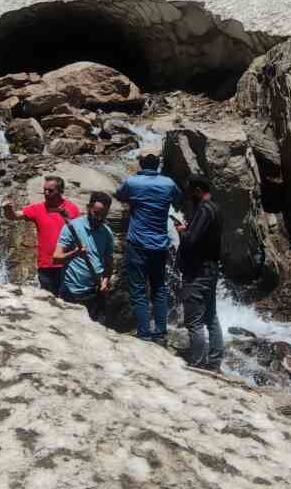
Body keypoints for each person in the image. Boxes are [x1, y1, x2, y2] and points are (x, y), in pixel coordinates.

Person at [115, 153, 182, 345]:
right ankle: (160, 333)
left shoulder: (133, 182)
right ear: (158, 165)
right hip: (160, 244)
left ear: (140, 164)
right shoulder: (168, 183)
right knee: (159, 289)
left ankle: (144, 333)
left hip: (137, 243)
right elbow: (178, 199)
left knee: (138, 290)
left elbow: (120, 195)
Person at [2, 176, 82, 295]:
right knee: (50, 301)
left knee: (68, 301)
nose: (46, 193)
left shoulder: (72, 209)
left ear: (60, 191)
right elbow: (14, 216)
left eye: (50, 190)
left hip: (68, 264)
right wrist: (7, 209)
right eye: (44, 190)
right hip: (46, 266)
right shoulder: (38, 208)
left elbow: (81, 234)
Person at [177, 176, 223, 370]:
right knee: (211, 316)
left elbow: (191, 241)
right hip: (211, 269)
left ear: (197, 190)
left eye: (190, 193)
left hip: (198, 271)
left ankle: (196, 363)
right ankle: (214, 361)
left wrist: (181, 230)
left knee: (194, 321)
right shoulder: (216, 208)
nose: (189, 197)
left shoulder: (204, 209)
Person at [52, 192, 115, 321]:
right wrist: (75, 253)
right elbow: (56, 257)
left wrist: (105, 282)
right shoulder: (72, 227)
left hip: (94, 292)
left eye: (103, 214)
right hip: (71, 292)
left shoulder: (107, 232)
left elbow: (109, 262)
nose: (99, 218)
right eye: (96, 213)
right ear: (88, 208)